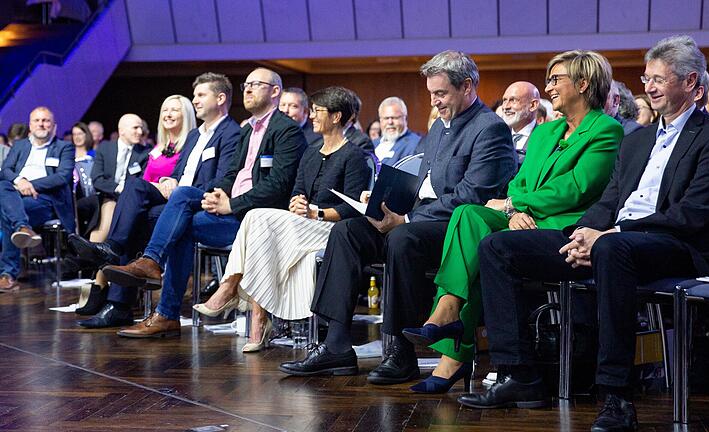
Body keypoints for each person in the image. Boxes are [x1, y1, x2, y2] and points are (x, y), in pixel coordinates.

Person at [456, 35, 709, 432]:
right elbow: (609, 200)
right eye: (647, 78)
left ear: (692, 83)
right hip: (613, 236)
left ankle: (616, 396)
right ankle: (519, 374)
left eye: (660, 79)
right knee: (498, 246)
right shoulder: (637, 138)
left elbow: (692, 214)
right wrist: (583, 232)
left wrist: (609, 233)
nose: (649, 87)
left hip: (677, 245)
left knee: (612, 249)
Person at [279, 50, 516, 382]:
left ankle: (400, 353)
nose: (435, 101)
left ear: (466, 86)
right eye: (432, 94)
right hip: (420, 220)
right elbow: (421, 186)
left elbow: (472, 197)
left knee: (403, 238)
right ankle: (335, 345)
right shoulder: (439, 129)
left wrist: (404, 220)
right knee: (347, 231)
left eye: (441, 93)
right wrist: (382, 204)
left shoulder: (490, 129)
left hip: (457, 230)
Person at [402, 50, 623, 394]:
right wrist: (513, 210)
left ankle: (451, 342)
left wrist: (515, 204)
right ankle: (448, 309)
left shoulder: (607, 130)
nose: (548, 87)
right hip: (522, 219)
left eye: (555, 79)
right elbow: (519, 180)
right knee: (467, 214)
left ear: (583, 84)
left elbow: (576, 188)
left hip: (562, 227)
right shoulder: (546, 133)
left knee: (484, 249)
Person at [98, 67, 307, 338]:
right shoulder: (247, 131)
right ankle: (164, 309)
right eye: (246, 84)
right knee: (179, 217)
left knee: (182, 197)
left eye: (256, 84)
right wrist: (219, 194)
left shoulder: (286, 130)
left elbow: (278, 186)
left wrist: (232, 204)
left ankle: (156, 282)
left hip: (257, 219)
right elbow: (232, 174)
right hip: (229, 210)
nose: (248, 89)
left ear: (275, 91)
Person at [193, 87, 370, 352]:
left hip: (332, 228)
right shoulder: (311, 152)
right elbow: (297, 190)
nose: (311, 117)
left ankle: (233, 290)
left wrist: (315, 212)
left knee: (259, 220)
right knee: (257, 222)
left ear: (336, 117)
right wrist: (296, 202)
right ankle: (254, 315)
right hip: (303, 224)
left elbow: (353, 210)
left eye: (317, 111)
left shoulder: (355, 156)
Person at [70, 74, 242, 328]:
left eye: (201, 95)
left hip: (200, 198)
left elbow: (222, 180)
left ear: (220, 98)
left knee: (172, 199)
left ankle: (127, 289)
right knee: (135, 189)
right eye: (194, 95)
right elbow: (179, 172)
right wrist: (168, 181)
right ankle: (114, 265)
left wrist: (179, 188)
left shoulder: (231, 133)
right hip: (177, 197)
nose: (195, 100)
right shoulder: (195, 135)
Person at [0, 107, 75, 292]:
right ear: (30, 126)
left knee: (8, 211)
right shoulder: (20, 146)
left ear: (54, 126)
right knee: (3, 187)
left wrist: (30, 185)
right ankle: (22, 228)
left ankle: (8, 274)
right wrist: (20, 181)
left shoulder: (64, 147)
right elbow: (6, 171)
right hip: (15, 194)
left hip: (46, 200)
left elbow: (62, 177)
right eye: (37, 120)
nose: (41, 124)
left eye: (46, 120)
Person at [86, 114, 151, 245]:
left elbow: (141, 181)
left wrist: (125, 192)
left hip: (131, 199)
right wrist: (118, 189)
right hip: (106, 195)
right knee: (109, 209)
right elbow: (97, 179)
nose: (140, 132)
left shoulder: (144, 153)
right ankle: (94, 254)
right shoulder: (105, 148)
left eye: (141, 128)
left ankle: (95, 254)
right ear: (122, 131)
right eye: (135, 128)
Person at [498, 82, 540, 163]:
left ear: (533, 105)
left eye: (513, 100)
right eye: (504, 100)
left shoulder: (544, 138)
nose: (506, 107)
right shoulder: (497, 137)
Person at [372, 97, 420, 167]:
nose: (390, 122)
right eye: (386, 118)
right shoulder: (373, 144)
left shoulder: (415, 144)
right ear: (380, 120)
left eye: (395, 118)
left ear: (405, 118)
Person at [71, 122, 97, 234]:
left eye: (80, 133)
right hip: (76, 196)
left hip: (93, 194)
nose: (77, 137)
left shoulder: (95, 155)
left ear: (87, 135)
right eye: (74, 134)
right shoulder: (68, 156)